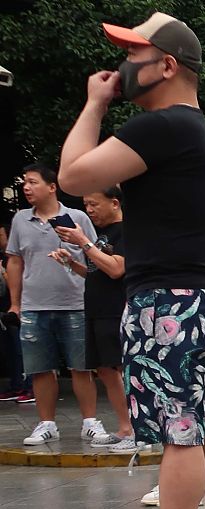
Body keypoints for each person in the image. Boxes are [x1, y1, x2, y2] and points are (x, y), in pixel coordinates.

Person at [59, 11, 205, 509]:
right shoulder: (194, 130)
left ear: (166, 66)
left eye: (133, 56)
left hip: (164, 301)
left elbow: (71, 175)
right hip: (203, 296)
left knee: (179, 431)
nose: (121, 68)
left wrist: (94, 104)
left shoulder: (163, 126)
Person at [4, 163, 112, 446]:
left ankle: (90, 422)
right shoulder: (19, 220)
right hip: (33, 305)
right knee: (40, 367)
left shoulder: (76, 217)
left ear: (52, 187)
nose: (26, 187)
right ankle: (47, 423)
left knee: (82, 367)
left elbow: (95, 254)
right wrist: (15, 304)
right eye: (24, 183)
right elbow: (14, 260)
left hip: (75, 303)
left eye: (32, 182)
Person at [50, 186, 138, 452]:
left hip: (117, 310)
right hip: (96, 309)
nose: (89, 210)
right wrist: (70, 263)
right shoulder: (102, 235)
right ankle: (125, 428)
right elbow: (95, 272)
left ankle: (136, 430)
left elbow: (115, 269)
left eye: (93, 204)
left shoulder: (128, 231)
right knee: (105, 370)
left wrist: (83, 243)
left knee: (120, 369)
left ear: (114, 203)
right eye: (86, 204)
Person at [0, 225, 33, 403]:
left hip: (24, 306)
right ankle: (16, 385)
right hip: (9, 309)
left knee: (23, 349)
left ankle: (29, 387)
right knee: (12, 350)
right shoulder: (9, 259)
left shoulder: (17, 258)